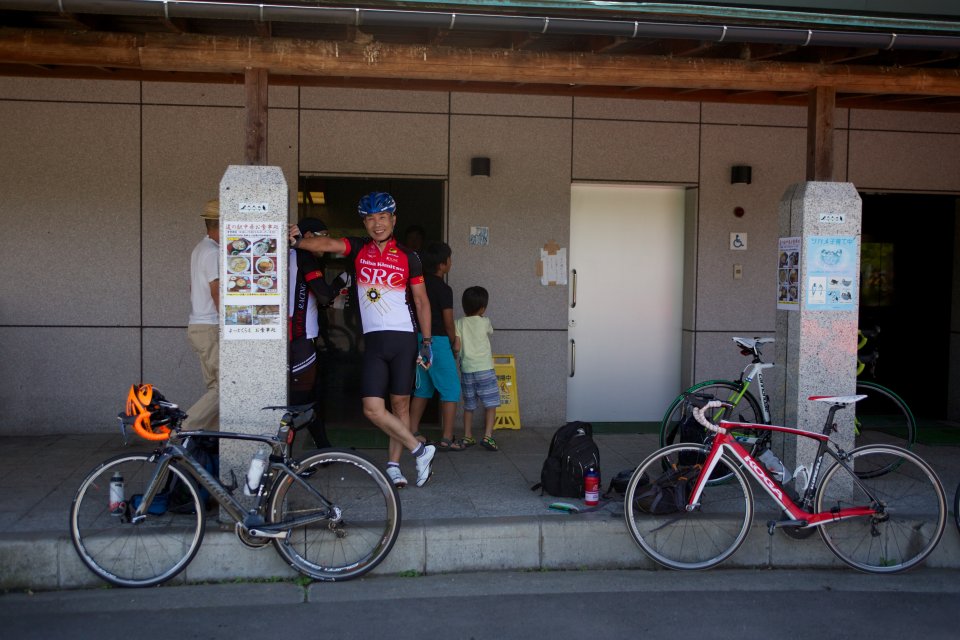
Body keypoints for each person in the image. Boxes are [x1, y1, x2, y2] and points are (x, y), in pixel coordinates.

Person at [290, 191, 436, 488]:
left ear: (393, 220)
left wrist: (427, 342)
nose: (377, 224)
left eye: (383, 217)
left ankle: (394, 467)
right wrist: (297, 242)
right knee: (372, 408)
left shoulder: (409, 257)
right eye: (370, 219)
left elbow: (422, 301)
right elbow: (327, 244)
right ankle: (420, 450)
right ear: (364, 223)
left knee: (400, 406)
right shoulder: (358, 248)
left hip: (404, 338)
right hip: (374, 341)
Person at [408, 242, 464, 451]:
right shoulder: (443, 288)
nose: (451, 262)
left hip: (419, 339)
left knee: (423, 387)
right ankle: (447, 438)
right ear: (442, 264)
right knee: (451, 389)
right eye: (449, 259)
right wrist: (453, 340)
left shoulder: (417, 285)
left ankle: (412, 432)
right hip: (438, 341)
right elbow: (448, 321)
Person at [289, 217, 338, 449]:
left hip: (293, 335)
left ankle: (324, 448)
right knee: (298, 403)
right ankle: (281, 458)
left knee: (310, 397)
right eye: (324, 236)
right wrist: (340, 283)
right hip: (301, 337)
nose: (327, 242)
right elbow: (324, 295)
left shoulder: (290, 255)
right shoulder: (305, 257)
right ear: (307, 236)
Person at [185, 198, 221, 431]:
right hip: (210, 327)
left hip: (199, 326)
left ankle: (214, 441)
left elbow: (193, 288)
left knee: (216, 389)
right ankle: (181, 429)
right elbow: (217, 291)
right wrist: (230, 325)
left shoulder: (200, 249)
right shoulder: (213, 253)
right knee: (224, 388)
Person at [455, 285, 500, 451]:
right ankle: (488, 437)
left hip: (467, 370)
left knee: (469, 405)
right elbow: (490, 331)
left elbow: (457, 346)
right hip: (485, 369)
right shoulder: (485, 321)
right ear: (483, 307)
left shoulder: (458, 323)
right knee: (491, 405)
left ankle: (467, 436)